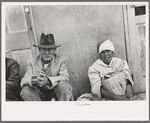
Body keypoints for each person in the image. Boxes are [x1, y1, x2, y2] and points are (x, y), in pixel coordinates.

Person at [20, 33, 73, 101]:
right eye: (43, 49)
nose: (47, 53)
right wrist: (32, 80)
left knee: (64, 85)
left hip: (57, 94)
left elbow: (65, 77)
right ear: (39, 50)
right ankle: (40, 110)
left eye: (50, 49)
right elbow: (24, 80)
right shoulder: (32, 62)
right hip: (40, 95)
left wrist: (48, 80)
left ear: (54, 50)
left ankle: (62, 109)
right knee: (26, 90)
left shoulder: (61, 60)